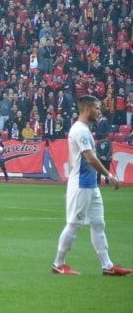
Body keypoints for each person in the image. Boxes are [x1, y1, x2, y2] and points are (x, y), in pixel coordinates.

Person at [51, 95, 131, 276]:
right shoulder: (80, 130)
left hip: (89, 184)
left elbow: (74, 160)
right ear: (87, 109)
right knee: (74, 224)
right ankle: (58, 264)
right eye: (96, 108)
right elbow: (90, 158)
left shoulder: (83, 129)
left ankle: (107, 266)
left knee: (98, 223)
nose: (99, 111)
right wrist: (109, 175)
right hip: (82, 184)